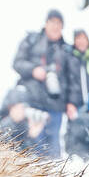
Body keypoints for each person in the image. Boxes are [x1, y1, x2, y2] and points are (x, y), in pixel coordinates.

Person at [11, 8, 80, 158]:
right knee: (33, 146)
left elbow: (74, 80)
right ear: (46, 23)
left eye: (59, 23)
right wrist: (33, 70)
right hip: (32, 102)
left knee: (53, 150)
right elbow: (17, 63)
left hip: (56, 105)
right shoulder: (31, 40)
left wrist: (72, 102)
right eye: (53, 22)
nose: (55, 26)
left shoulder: (67, 50)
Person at [0, 84, 53, 158]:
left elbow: (27, 153)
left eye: (24, 107)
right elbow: (4, 145)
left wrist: (31, 135)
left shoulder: (22, 124)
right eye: (20, 107)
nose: (23, 111)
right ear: (11, 107)